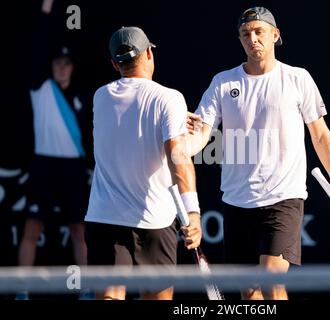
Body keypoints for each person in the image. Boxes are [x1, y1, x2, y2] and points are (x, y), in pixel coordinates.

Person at [187, 7, 330, 300]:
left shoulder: (298, 78)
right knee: (249, 294)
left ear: (275, 35)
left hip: (283, 197)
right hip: (237, 201)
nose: (252, 39)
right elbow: (202, 134)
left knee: (271, 282)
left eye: (259, 32)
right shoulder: (222, 83)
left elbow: (320, 135)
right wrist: (180, 148)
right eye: (245, 34)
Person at [84, 26, 202, 300]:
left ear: (115, 64)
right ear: (149, 53)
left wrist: (171, 114)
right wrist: (192, 211)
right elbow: (179, 157)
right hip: (154, 220)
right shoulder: (169, 99)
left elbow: (129, 111)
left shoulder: (100, 97)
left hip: (104, 219)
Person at [17, 0, 92, 299]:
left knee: (79, 231)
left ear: (72, 67)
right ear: (50, 66)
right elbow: (38, 46)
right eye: (57, 63)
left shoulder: (81, 97)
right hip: (44, 166)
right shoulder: (40, 87)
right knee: (32, 229)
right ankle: (22, 290)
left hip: (73, 168)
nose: (61, 68)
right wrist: (46, 10)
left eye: (66, 63)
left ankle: (86, 290)